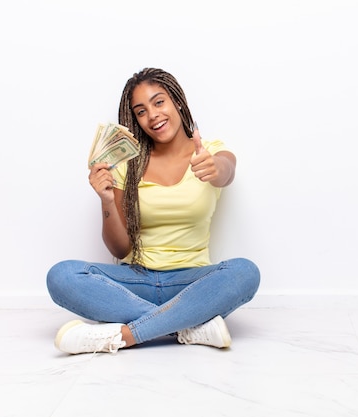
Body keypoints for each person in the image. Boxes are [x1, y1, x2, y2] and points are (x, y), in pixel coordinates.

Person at [46, 68, 260, 355]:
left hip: (192, 283)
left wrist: (216, 168)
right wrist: (107, 201)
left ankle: (125, 336)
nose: (153, 115)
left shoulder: (209, 152)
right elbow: (120, 249)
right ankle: (188, 326)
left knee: (245, 272)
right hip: (136, 281)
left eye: (159, 102)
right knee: (61, 275)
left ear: (177, 102)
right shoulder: (126, 164)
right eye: (141, 111)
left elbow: (227, 171)